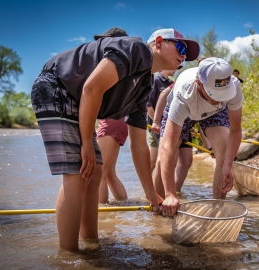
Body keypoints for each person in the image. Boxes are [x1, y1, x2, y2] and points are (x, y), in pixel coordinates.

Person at [30, 28, 199, 250]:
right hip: (56, 86)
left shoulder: (144, 85)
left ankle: (91, 243)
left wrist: (151, 195)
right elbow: (91, 88)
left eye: (187, 53)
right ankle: (68, 256)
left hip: (77, 100)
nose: (184, 55)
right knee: (78, 171)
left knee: (96, 170)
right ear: (158, 42)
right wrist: (85, 145)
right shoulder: (136, 49)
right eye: (180, 47)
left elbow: (139, 144)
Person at [158, 57, 244, 216]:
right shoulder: (185, 93)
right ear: (199, 83)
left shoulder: (235, 86)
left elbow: (236, 130)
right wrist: (170, 194)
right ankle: (159, 207)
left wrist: (227, 165)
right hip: (185, 109)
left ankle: (217, 212)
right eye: (214, 93)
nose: (219, 98)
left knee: (224, 150)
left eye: (223, 93)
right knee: (161, 161)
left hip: (214, 114)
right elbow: (167, 147)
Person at [93, 28, 129, 204]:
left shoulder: (112, 65)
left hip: (111, 123)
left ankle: (101, 213)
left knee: (99, 173)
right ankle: (123, 205)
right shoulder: (128, 67)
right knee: (109, 173)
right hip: (120, 123)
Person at [150, 82, 194, 196]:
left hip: (187, 124)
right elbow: (163, 95)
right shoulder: (188, 79)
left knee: (186, 160)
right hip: (172, 121)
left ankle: (175, 192)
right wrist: (156, 121)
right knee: (167, 159)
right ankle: (158, 198)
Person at [147, 70, 175, 172]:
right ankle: (145, 187)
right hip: (155, 127)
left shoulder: (171, 83)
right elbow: (148, 105)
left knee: (164, 159)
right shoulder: (155, 80)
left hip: (167, 128)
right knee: (153, 162)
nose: (176, 68)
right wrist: (157, 122)